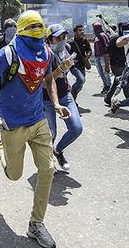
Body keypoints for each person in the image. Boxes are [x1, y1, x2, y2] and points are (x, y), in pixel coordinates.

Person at [0, 10, 69, 248]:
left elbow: (49, 80)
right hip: (12, 123)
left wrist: (56, 104)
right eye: (34, 26)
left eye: (41, 26)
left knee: (47, 171)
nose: (39, 30)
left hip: (38, 121)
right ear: (22, 29)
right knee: (14, 175)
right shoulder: (8, 53)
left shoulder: (46, 53)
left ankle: (35, 224)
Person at [43, 24, 82, 171]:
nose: (61, 40)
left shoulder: (65, 49)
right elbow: (44, 82)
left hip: (65, 94)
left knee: (76, 128)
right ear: (49, 39)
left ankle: (58, 150)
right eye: (57, 37)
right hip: (46, 99)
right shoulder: (43, 54)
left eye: (63, 37)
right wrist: (61, 69)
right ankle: (47, 164)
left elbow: (68, 69)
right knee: (50, 133)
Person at [104, 22, 129, 108]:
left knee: (117, 82)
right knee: (125, 84)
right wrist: (106, 65)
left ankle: (108, 98)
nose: (127, 30)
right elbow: (106, 52)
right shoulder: (115, 39)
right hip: (116, 65)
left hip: (124, 65)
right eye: (125, 28)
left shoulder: (128, 39)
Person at [68, 24, 92, 101]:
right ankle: (71, 94)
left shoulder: (85, 41)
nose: (82, 32)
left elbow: (89, 50)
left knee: (80, 84)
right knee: (81, 80)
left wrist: (88, 55)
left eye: (82, 30)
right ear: (75, 32)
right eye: (80, 30)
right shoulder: (70, 42)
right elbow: (65, 54)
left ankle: (73, 98)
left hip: (82, 65)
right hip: (74, 66)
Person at [92, 22, 112, 94]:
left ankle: (109, 86)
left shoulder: (103, 35)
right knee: (100, 72)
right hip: (97, 57)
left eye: (94, 28)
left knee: (106, 71)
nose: (93, 30)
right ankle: (105, 85)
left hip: (103, 56)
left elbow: (107, 47)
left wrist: (107, 61)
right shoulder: (96, 37)